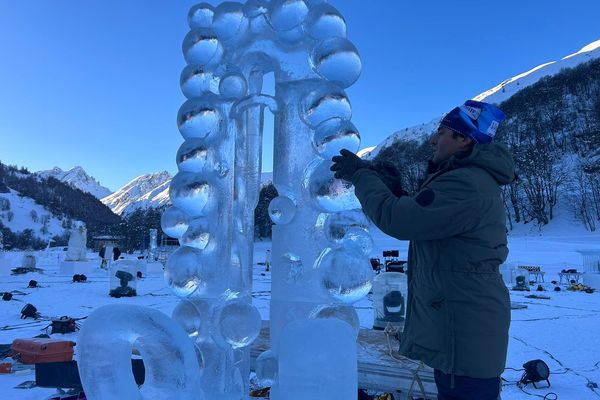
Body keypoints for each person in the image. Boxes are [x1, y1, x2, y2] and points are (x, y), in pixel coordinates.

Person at [331, 100, 515, 400]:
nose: (432, 139)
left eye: (441, 132)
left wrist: (362, 177)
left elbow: (400, 220)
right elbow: (420, 214)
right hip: (462, 327)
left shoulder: (467, 183)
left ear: (464, 139)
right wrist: (381, 183)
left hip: (464, 333)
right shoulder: (466, 179)